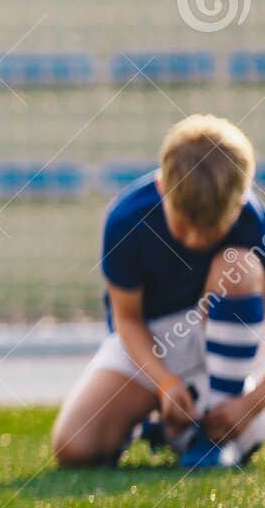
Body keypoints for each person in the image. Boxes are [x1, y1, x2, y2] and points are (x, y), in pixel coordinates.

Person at [53, 114, 265, 469]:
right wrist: (165, 383)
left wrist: (251, 403)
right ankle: (169, 429)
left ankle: (214, 438)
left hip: (229, 336)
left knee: (237, 267)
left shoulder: (253, 221)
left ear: (239, 203)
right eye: (184, 226)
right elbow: (127, 318)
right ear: (162, 186)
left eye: (211, 230)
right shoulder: (127, 219)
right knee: (76, 446)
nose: (196, 240)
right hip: (153, 341)